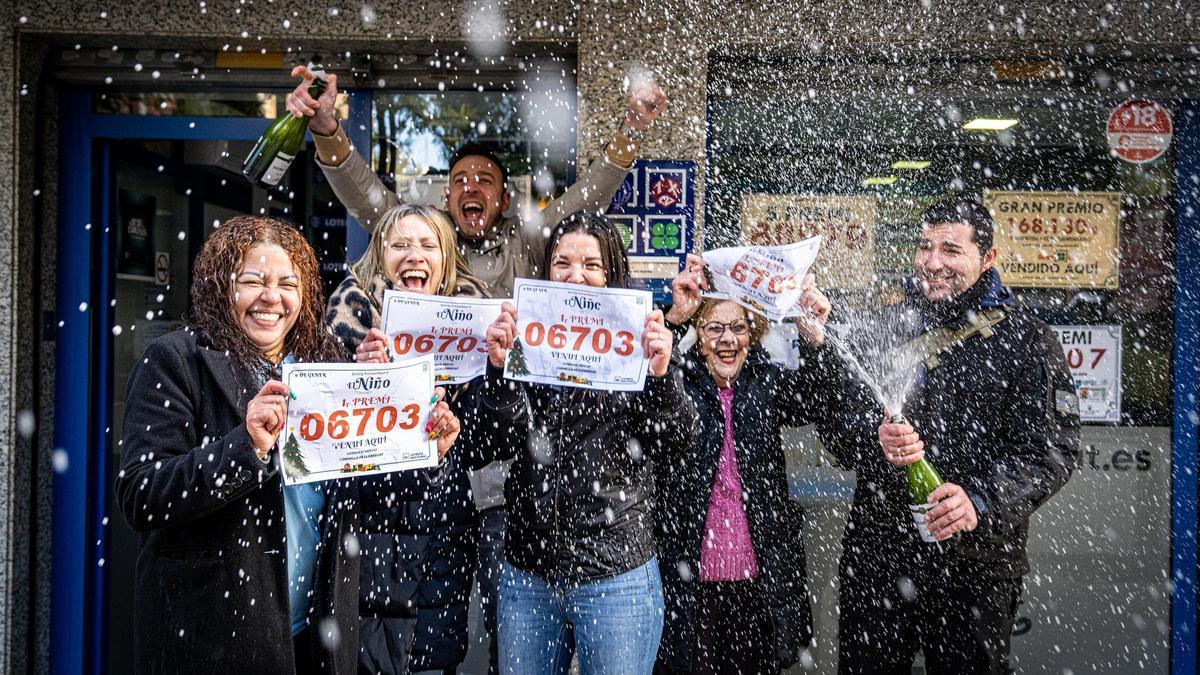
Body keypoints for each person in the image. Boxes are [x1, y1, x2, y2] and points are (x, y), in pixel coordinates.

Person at [287, 66, 668, 674]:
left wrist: (630, 130)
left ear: (504, 197)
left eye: (485, 181)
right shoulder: (417, 245)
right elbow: (366, 196)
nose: (472, 188)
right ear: (444, 199)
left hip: (506, 481)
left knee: (501, 628)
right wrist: (328, 127)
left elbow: (585, 202)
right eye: (460, 179)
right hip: (425, 480)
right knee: (423, 631)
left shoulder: (531, 243)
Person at [115, 215, 460, 673]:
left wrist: (424, 449)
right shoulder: (177, 360)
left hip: (315, 636)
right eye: (252, 280)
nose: (271, 298)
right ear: (221, 285)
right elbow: (142, 496)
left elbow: (361, 494)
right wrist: (246, 447)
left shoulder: (326, 362)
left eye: (287, 283)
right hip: (216, 635)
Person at [808, 197, 1081, 674]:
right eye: (925, 247)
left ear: (988, 257)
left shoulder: (1027, 340)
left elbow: (1051, 451)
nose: (933, 263)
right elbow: (839, 432)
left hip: (977, 568)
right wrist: (874, 438)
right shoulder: (886, 323)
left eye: (951, 250)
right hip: (880, 559)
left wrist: (979, 501)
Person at [480, 211, 696, 674]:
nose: (576, 276)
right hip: (529, 573)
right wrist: (499, 372)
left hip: (616, 575)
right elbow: (495, 442)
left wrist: (660, 378)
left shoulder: (640, 341)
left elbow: (676, 443)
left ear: (611, 273)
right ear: (546, 271)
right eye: (562, 263)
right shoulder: (524, 338)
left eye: (591, 265)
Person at [324, 203, 509, 674]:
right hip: (363, 545)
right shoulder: (340, 335)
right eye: (400, 244)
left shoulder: (471, 334)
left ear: (445, 258)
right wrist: (359, 381)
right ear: (378, 254)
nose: (414, 256)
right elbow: (331, 451)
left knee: (432, 662)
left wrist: (494, 371)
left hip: (440, 543)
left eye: (428, 245)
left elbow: (489, 446)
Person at [652, 257, 830, 675]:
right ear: (699, 336)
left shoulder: (767, 382)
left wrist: (812, 338)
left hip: (760, 585)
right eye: (714, 327)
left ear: (754, 335)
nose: (727, 339)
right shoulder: (676, 381)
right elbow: (646, 382)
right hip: (689, 583)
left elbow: (820, 399)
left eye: (739, 328)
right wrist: (674, 317)